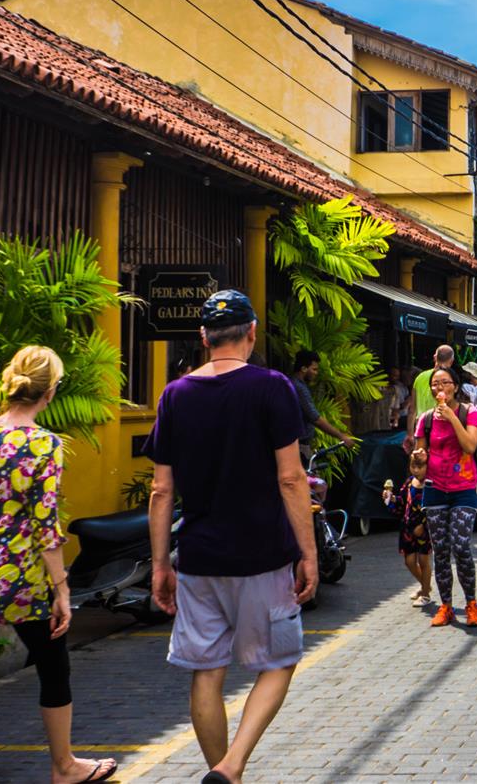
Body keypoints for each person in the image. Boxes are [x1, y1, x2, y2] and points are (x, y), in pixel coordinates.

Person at [148, 289, 316, 784]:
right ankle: (233, 764)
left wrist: (160, 564)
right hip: (263, 554)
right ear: (252, 333)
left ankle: (223, 775)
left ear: (203, 337)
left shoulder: (175, 394)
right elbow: (291, 478)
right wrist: (308, 552)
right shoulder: (272, 388)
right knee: (281, 661)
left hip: (198, 558)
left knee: (207, 670)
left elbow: (162, 490)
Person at [0, 346, 114, 784]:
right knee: (53, 668)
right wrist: (62, 588)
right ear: (50, 393)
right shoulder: (44, 445)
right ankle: (64, 767)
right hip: (25, 586)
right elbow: (45, 526)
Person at [414, 367, 477, 627]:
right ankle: (446, 606)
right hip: (434, 489)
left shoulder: (470, 413)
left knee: (461, 545)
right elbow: (417, 468)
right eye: (435, 384)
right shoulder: (425, 420)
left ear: (455, 386)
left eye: (445, 383)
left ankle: (471, 604)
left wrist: (452, 418)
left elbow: (469, 445)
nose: (439, 388)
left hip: (463, 488)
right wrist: (417, 460)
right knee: (441, 550)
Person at [384, 448, 432, 606]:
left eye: (420, 467)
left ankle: (425, 594)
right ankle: (426, 586)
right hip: (407, 529)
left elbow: (433, 510)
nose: (416, 470)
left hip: (424, 532)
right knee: (410, 561)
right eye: (413, 466)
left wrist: (424, 526)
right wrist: (390, 498)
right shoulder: (409, 482)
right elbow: (402, 502)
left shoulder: (431, 486)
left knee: (424, 561)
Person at [290, 350, 357, 459]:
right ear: (303, 368)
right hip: (299, 446)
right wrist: (342, 437)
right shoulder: (299, 388)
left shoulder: (296, 384)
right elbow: (315, 418)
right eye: (314, 369)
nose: (316, 373)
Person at [407, 344, 456, 440]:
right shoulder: (449, 379)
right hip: (440, 428)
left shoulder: (420, 377)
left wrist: (409, 434)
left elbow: (412, 410)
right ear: (451, 361)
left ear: (435, 357)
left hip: (420, 429)